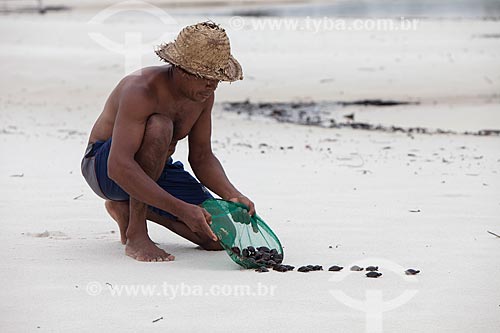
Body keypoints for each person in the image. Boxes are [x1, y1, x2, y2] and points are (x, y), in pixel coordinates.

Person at [81, 22, 255, 262]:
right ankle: (136, 232)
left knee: (216, 237)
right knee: (160, 126)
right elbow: (118, 166)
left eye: (217, 78)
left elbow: (202, 156)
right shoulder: (141, 89)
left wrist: (233, 194)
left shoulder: (203, 95)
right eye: (205, 77)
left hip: (155, 167)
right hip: (105, 168)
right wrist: (180, 209)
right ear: (181, 69)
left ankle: (124, 209)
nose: (212, 85)